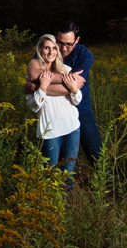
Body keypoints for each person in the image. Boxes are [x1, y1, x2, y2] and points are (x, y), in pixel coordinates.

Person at [24, 20, 102, 165]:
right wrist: (66, 79)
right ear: (55, 37)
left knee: (96, 154)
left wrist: (37, 86)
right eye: (60, 42)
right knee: (55, 161)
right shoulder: (48, 50)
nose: (63, 49)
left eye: (69, 44)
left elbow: (74, 86)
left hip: (81, 108)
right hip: (54, 114)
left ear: (77, 40)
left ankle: (109, 186)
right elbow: (34, 74)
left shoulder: (85, 55)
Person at [25, 34, 84, 183]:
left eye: (54, 48)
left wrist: (74, 90)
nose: (51, 52)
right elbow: (33, 107)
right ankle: (50, 205)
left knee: (68, 173)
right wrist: (42, 87)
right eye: (47, 48)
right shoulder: (33, 75)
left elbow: (77, 100)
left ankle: (67, 203)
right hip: (50, 132)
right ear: (40, 50)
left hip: (72, 127)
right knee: (49, 175)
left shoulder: (66, 69)